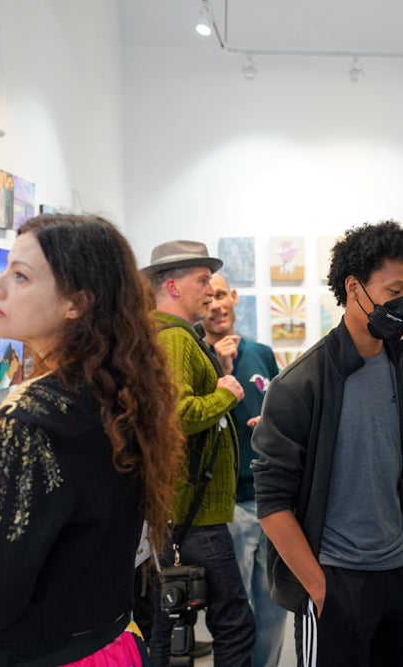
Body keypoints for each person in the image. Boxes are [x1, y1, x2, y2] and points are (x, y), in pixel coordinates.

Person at [0, 214, 185, 665]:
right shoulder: (114, 393)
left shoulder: (32, 417)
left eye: (20, 276)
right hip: (111, 646)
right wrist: (7, 495)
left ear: (76, 303)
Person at [252, 220, 403, 666]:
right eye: (394, 291)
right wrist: (319, 588)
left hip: (401, 577)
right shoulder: (301, 384)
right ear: (354, 287)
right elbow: (272, 503)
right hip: (336, 583)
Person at [144, 240, 254, 666]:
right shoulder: (175, 340)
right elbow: (177, 416)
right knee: (234, 624)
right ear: (173, 285)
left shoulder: (172, 338)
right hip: (196, 515)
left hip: (184, 511)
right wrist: (226, 394)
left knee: (167, 622)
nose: (211, 290)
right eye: (203, 280)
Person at [197, 272, 287, 667]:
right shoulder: (198, 359)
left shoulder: (263, 353)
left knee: (274, 610)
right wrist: (220, 369)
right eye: (208, 298)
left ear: (233, 298)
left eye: (222, 295)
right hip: (228, 505)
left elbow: (283, 413)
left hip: (273, 500)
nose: (216, 304)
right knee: (235, 615)